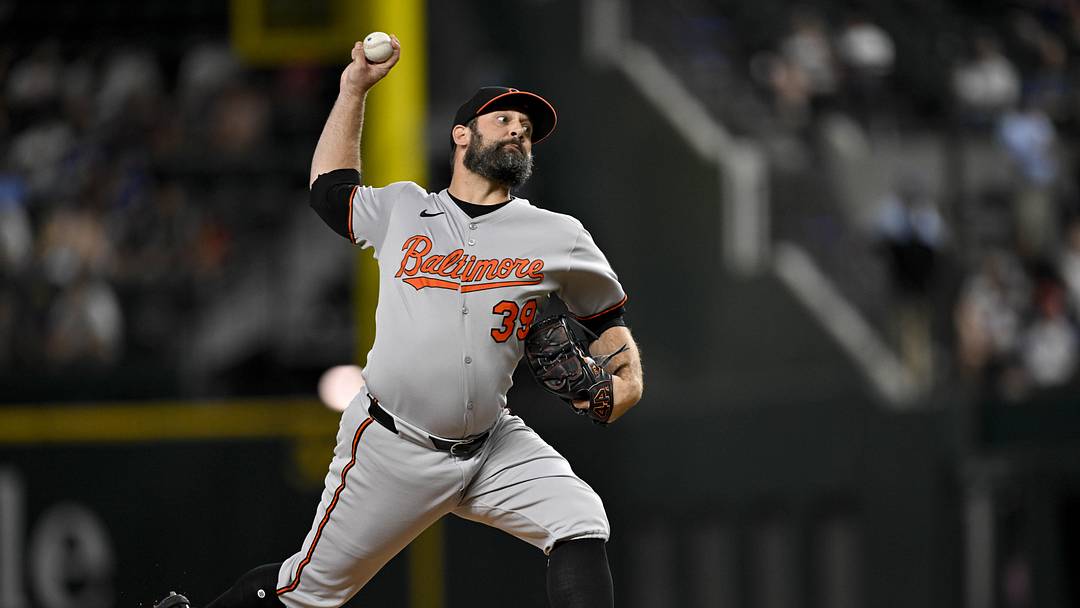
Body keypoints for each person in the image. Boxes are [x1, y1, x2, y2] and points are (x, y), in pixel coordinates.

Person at [155, 34, 644, 608]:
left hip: (492, 444)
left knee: (579, 519)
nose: (518, 131)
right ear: (462, 135)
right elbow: (328, 190)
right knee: (306, 591)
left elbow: (607, 317)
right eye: (505, 119)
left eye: (527, 129)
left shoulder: (558, 235)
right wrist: (353, 88)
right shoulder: (406, 209)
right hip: (393, 443)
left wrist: (627, 378)